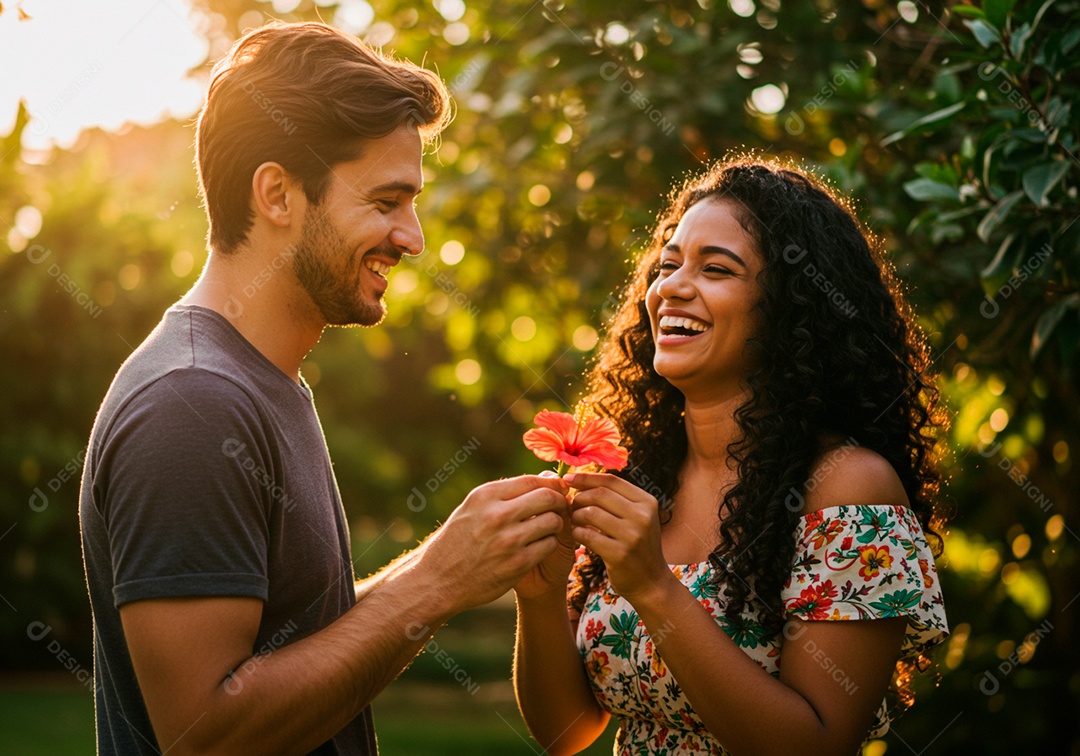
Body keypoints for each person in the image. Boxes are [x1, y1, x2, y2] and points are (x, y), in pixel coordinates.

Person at [78, 22, 568, 755]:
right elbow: (206, 735)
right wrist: (434, 583)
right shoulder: (191, 404)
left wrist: (462, 559)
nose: (413, 237)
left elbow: (298, 639)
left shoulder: (261, 382)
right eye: (386, 201)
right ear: (278, 193)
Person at [512, 157, 950, 755]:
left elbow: (816, 746)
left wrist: (656, 588)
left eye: (715, 268)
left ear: (791, 308)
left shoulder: (848, 488)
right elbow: (566, 731)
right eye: (667, 266)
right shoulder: (637, 474)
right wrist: (539, 596)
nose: (669, 287)